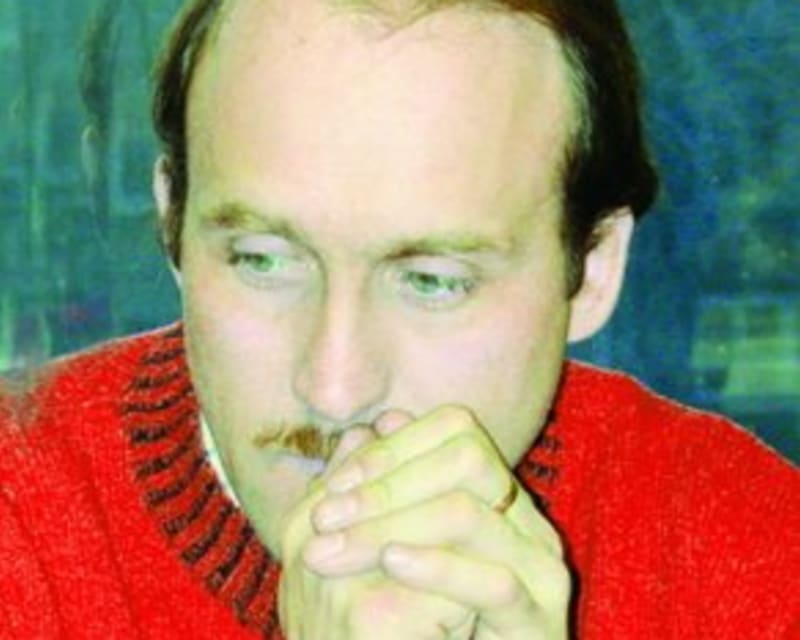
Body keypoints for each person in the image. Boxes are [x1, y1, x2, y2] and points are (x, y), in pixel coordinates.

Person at [1, 0, 797, 637]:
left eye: (432, 281)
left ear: (591, 269)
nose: (334, 388)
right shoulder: (19, 520)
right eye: (262, 260)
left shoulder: (751, 554)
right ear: (172, 224)